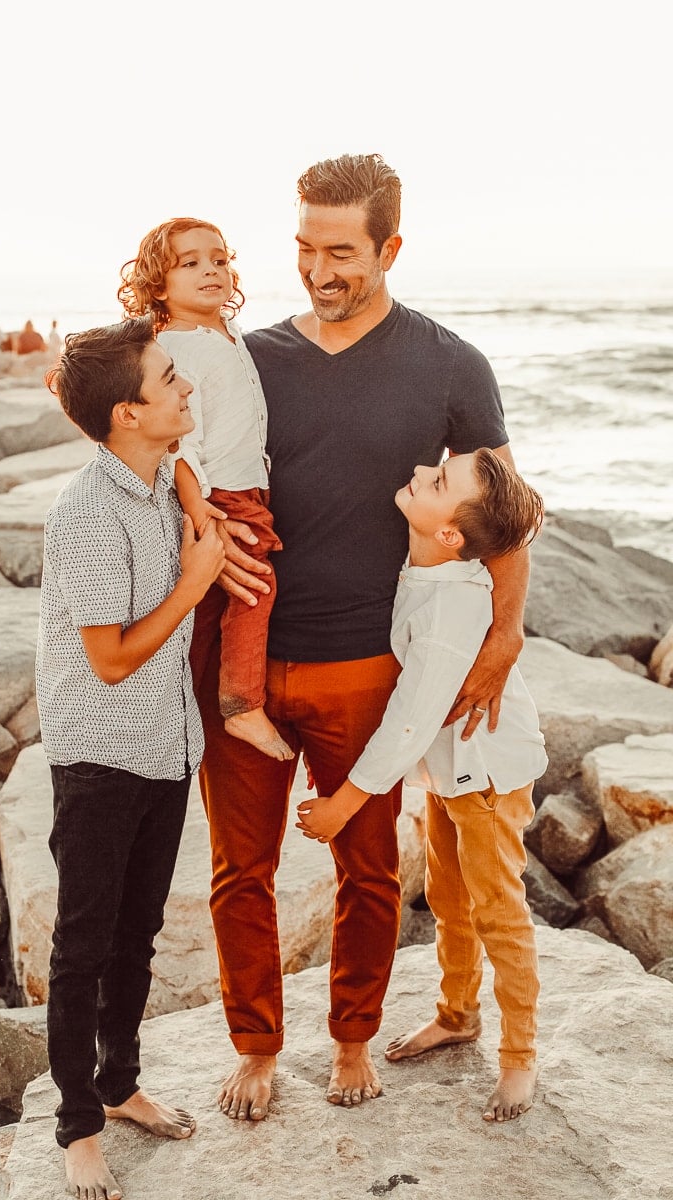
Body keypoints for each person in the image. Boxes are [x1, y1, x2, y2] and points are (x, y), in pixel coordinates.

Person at [194, 153, 531, 1122]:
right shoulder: (249, 360)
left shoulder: (449, 366)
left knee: (369, 870)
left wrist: (502, 637)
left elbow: (504, 514)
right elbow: (187, 472)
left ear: (390, 247)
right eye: (303, 247)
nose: (316, 269)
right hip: (245, 674)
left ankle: (351, 1040)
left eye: (339, 251)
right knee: (237, 875)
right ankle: (255, 1046)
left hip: (369, 669)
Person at [296, 449, 546, 1123]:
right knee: (446, 893)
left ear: (452, 535)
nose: (421, 471)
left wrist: (346, 803)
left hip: (486, 772)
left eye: (439, 481)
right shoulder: (432, 570)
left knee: (496, 908)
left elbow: (410, 720)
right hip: (453, 770)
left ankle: (519, 1058)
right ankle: (457, 1014)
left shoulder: (448, 614)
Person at [35, 317, 224, 1200]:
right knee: (83, 945)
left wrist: (189, 494)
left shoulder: (157, 484)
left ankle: (119, 1083)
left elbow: (190, 470)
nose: (184, 387)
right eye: (168, 378)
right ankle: (76, 1126)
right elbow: (109, 659)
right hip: (101, 753)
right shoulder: (85, 513)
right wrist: (196, 579)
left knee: (137, 937)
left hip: (167, 741)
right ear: (126, 413)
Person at [118, 218, 292, 761]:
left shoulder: (226, 334)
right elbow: (178, 439)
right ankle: (241, 704)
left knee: (219, 602)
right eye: (189, 263)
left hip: (245, 486)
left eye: (218, 259)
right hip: (221, 493)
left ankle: (186, 705)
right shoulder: (173, 344)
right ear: (158, 284)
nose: (210, 269)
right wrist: (200, 508)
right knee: (255, 583)